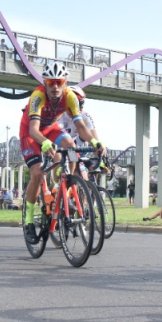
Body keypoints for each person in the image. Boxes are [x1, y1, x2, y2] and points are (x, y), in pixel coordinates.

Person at [20, 62, 105, 244]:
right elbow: (34, 130)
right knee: (37, 173)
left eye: (59, 82)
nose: (55, 87)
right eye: (51, 82)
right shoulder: (38, 96)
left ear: (65, 82)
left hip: (51, 129)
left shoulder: (70, 97)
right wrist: (43, 143)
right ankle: (28, 221)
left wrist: (95, 142)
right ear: (45, 82)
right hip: (31, 133)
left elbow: (80, 127)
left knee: (69, 144)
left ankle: (61, 181)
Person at [56, 86, 102, 180]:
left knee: (74, 173)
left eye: (81, 104)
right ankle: (57, 187)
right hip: (59, 143)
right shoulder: (59, 115)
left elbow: (94, 136)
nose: (79, 108)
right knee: (58, 161)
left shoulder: (85, 115)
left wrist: (98, 147)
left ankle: (73, 185)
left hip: (74, 145)